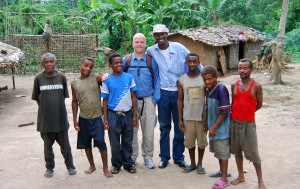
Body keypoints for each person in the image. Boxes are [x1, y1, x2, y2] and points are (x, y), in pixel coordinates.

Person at [147, 24, 192, 169]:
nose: (160, 37)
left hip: (180, 92)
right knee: (164, 127)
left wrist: (207, 76)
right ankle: (164, 157)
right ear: (154, 37)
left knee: (180, 126)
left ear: (167, 34)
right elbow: (138, 57)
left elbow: (193, 59)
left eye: (162, 34)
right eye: (157, 35)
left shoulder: (178, 47)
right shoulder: (151, 50)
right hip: (164, 93)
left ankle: (179, 157)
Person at [31, 52, 76, 178]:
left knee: (65, 146)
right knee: (47, 147)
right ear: (42, 64)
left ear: (55, 63)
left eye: (51, 61)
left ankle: (70, 166)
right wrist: (46, 109)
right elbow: (37, 98)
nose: (49, 64)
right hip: (46, 120)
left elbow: (63, 96)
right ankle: (49, 168)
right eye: (46, 62)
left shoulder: (61, 77)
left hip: (60, 119)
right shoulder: (38, 78)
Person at [71, 57, 112, 178]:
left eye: (90, 67)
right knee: (86, 144)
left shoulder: (96, 78)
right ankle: (92, 165)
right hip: (83, 118)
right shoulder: (74, 83)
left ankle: (105, 168)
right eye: (85, 65)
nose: (87, 68)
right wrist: (75, 120)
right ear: (80, 65)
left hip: (97, 117)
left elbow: (107, 89)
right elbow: (74, 102)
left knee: (100, 142)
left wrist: (105, 117)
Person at [123, 33, 160, 169]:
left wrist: (155, 100)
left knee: (148, 131)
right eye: (136, 42)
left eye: (141, 42)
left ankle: (148, 157)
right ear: (132, 44)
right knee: (131, 131)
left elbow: (157, 80)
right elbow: (117, 75)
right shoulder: (126, 60)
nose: (139, 44)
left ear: (145, 44)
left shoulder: (151, 60)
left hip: (148, 100)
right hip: (130, 102)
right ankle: (133, 157)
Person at [230, 58, 266, 189]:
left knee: (254, 153)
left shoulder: (256, 86)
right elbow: (233, 103)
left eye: (245, 68)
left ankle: (260, 181)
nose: (242, 70)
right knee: (237, 151)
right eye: (240, 68)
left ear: (251, 69)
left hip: (249, 124)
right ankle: (241, 175)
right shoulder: (234, 85)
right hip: (234, 122)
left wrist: (249, 113)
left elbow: (260, 104)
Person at [101, 53, 138, 174]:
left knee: (128, 141)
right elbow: (105, 100)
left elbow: (133, 96)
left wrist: (134, 115)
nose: (119, 64)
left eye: (120, 62)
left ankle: (128, 163)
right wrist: (105, 119)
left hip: (127, 114)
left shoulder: (129, 77)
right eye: (116, 63)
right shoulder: (107, 80)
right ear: (110, 65)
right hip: (113, 115)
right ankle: (116, 164)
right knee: (115, 142)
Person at [177, 53, 207, 174]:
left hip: (201, 116)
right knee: (189, 142)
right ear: (186, 63)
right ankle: (193, 163)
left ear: (199, 63)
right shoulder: (182, 80)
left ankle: (200, 164)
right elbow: (179, 100)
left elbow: (209, 98)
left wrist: (207, 118)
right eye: (190, 61)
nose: (192, 64)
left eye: (195, 61)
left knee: (201, 142)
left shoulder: (204, 78)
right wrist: (179, 119)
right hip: (187, 117)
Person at [201, 65, 231, 189]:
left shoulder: (221, 89)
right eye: (205, 79)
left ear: (216, 77)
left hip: (221, 128)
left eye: (210, 79)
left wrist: (213, 127)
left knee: (223, 152)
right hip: (213, 126)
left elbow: (224, 112)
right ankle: (221, 171)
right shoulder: (208, 90)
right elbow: (209, 107)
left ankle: (224, 178)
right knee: (218, 151)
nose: (207, 81)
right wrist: (207, 123)